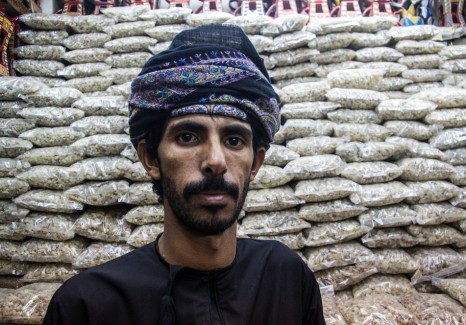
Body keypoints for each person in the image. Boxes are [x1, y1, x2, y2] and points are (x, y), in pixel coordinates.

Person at [42, 24, 325, 325]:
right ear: (150, 158)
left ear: (255, 163)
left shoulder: (286, 279)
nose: (215, 161)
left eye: (234, 141)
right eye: (188, 137)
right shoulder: (87, 306)